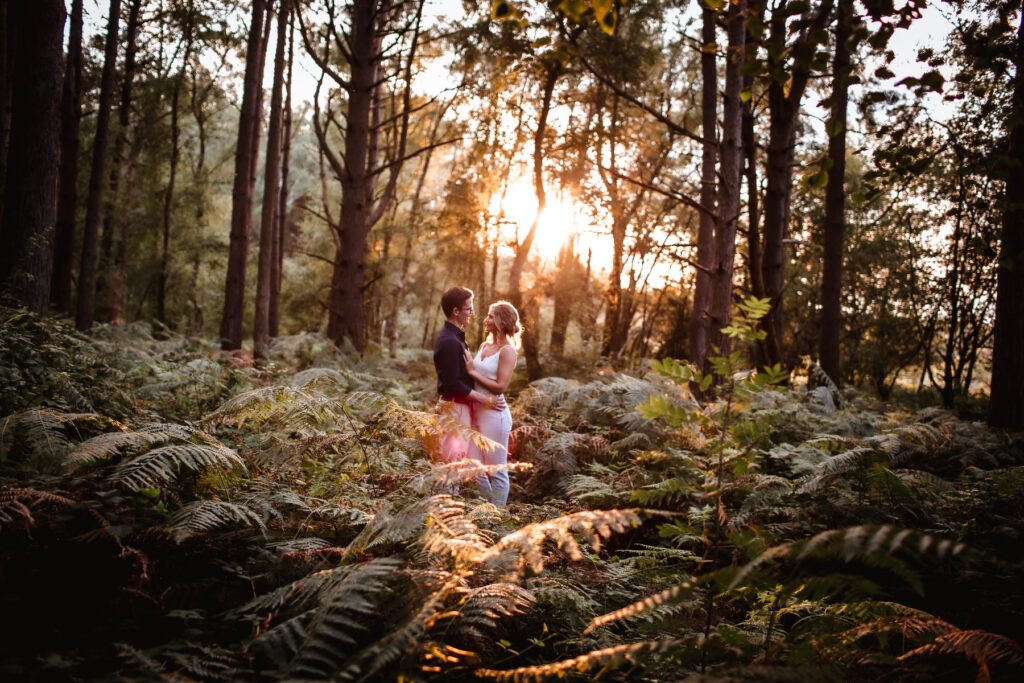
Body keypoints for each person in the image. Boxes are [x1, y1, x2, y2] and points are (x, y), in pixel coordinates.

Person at [433, 287, 504, 467]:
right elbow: (453, 384)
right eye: (469, 309)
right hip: (454, 409)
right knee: (452, 466)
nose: (472, 313)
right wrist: (484, 399)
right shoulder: (449, 340)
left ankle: (451, 495)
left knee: (458, 463)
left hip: (459, 409)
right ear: (456, 311)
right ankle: (446, 496)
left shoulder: (456, 337)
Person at [464, 301, 520, 506]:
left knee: (497, 470)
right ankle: (488, 508)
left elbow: (500, 386)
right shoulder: (484, 346)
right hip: (476, 411)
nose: (485, 320)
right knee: (474, 466)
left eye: (490, 316)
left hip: (495, 415)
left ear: (501, 321)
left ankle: (497, 518)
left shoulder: (507, 351)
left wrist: (472, 372)